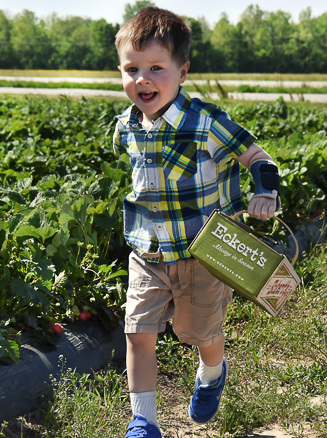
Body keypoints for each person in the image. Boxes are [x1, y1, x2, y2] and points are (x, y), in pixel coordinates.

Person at [112, 6, 280, 438]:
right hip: (147, 250)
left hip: (201, 253)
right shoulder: (126, 126)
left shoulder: (204, 119)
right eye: (132, 69)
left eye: (155, 68)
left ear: (182, 71)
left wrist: (265, 192)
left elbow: (257, 156)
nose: (142, 79)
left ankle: (212, 371)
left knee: (198, 332)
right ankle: (143, 421)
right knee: (138, 332)